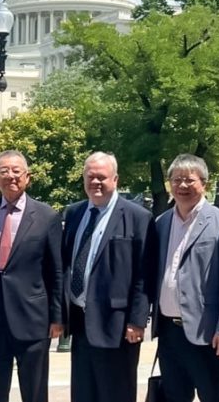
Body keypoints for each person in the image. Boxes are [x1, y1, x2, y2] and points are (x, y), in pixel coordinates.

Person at [0, 151, 62, 402]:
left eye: (16, 171)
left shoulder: (47, 216)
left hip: (33, 318)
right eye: (3, 171)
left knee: (34, 392)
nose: (10, 176)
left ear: (27, 177)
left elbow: (56, 271)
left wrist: (57, 317)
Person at [61, 152, 152, 402]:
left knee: (116, 393)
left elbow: (144, 274)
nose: (95, 183)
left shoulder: (137, 217)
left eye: (102, 177)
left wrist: (137, 320)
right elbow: (66, 265)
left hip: (118, 326)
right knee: (83, 393)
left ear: (116, 179)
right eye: (90, 177)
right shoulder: (74, 214)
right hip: (80, 323)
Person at [149, 154, 219, 402]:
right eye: (176, 180)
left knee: (213, 396)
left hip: (206, 332)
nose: (182, 186)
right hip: (169, 332)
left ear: (204, 184)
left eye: (189, 180)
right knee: (175, 396)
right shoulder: (162, 222)